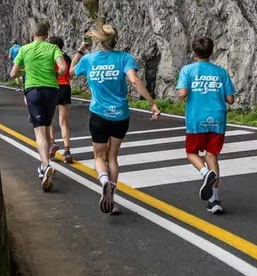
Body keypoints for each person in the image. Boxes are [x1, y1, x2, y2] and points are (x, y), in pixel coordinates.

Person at [72, 24, 159, 215]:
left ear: (97, 40)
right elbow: (134, 80)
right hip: (120, 115)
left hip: (98, 114)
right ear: (115, 40)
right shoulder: (124, 58)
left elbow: (69, 72)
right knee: (112, 156)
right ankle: (112, 196)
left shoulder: (89, 59)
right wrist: (152, 103)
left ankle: (104, 181)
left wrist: (81, 49)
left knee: (99, 156)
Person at [175, 36, 237, 214]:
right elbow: (230, 99)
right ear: (211, 52)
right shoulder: (221, 72)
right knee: (212, 156)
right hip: (217, 117)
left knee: (191, 153)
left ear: (194, 53)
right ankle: (214, 201)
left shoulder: (188, 70)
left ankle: (204, 173)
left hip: (197, 118)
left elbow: (182, 94)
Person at [11, 23, 69, 190]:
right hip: (51, 90)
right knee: (47, 126)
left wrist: (27, 71)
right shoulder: (53, 48)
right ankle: (45, 165)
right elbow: (63, 68)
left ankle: (45, 165)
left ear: (32, 34)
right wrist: (54, 73)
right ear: (46, 35)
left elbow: (13, 73)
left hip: (33, 91)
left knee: (39, 131)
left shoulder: (24, 49)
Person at [47, 35, 76, 163]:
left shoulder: (49, 56)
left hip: (51, 87)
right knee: (64, 122)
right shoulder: (67, 57)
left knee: (48, 119)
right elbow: (70, 76)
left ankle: (52, 142)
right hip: (65, 87)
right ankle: (67, 150)